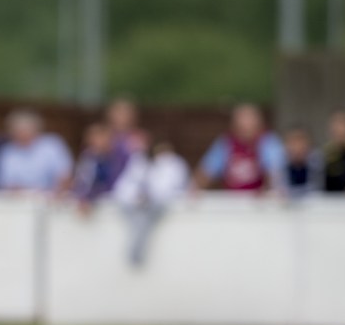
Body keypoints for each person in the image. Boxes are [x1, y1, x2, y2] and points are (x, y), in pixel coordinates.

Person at [113, 136, 189, 266]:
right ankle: (135, 253)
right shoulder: (141, 163)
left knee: (143, 221)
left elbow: (171, 187)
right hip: (139, 203)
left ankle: (135, 253)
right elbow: (126, 186)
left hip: (157, 204)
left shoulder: (174, 164)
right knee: (139, 221)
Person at [193, 103, 284, 192]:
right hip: (233, 200)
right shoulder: (225, 143)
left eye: (250, 125)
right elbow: (206, 171)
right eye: (242, 127)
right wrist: (195, 189)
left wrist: (269, 191)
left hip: (259, 200)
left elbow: (275, 172)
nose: (246, 129)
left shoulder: (268, 142)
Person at [0, 108, 72, 192]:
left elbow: (65, 177)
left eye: (26, 130)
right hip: (17, 200)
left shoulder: (53, 145)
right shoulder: (6, 152)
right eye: (18, 131)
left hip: (50, 199)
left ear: (37, 129)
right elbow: (3, 184)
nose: (22, 134)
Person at [71, 123, 125, 209]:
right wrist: (84, 197)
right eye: (92, 140)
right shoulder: (88, 157)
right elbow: (83, 183)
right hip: (93, 202)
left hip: (114, 201)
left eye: (100, 138)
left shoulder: (120, 157)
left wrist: (92, 196)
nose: (96, 143)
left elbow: (117, 183)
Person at [279, 128, 322, 198]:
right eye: (293, 143)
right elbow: (280, 189)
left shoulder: (316, 163)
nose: (297, 147)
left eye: (301, 143)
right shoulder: (280, 164)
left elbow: (316, 189)